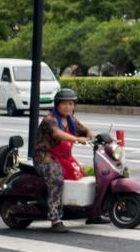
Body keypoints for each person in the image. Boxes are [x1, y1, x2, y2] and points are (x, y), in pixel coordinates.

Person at [33, 87, 96, 232]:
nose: (68, 107)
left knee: (81, 176)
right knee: (56, 180)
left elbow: (85, 130)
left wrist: (94, 136)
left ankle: (90, 213)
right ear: (57, 105)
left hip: (63, 157)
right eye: (64, 103)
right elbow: (57, 133)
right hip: (45, 158)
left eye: (71, 104)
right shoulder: (50, 120)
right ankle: (55, 219)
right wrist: (77, 139)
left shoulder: (71, 119)